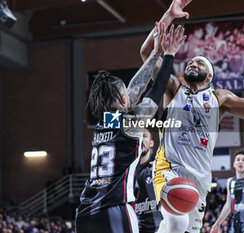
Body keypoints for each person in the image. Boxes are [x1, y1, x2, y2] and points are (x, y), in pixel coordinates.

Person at [140, 1, 244, 232]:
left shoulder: (220, 99)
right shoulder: (173, 87)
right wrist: (168, 16)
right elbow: (146, 54)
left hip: (200, 179)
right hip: (169, 168)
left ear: (209, 76)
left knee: (187, 228)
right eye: (190, 62)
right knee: (176, 222)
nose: (193, 64)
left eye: (199, 63)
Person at [75, 23, 186, 233]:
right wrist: (169, 55)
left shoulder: (104, 123)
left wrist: (155, 53)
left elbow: (137, 86)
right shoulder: (131, 124)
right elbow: (155, 89)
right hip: (113, 210)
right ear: (124, 98)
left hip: (85, 213)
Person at [133, 129, 162, 233]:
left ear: (151, 143)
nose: (141, 139)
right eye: (138, 137)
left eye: (144, 136)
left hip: (160, 228)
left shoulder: (160, 166)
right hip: (137, 229)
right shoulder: (128, 170)